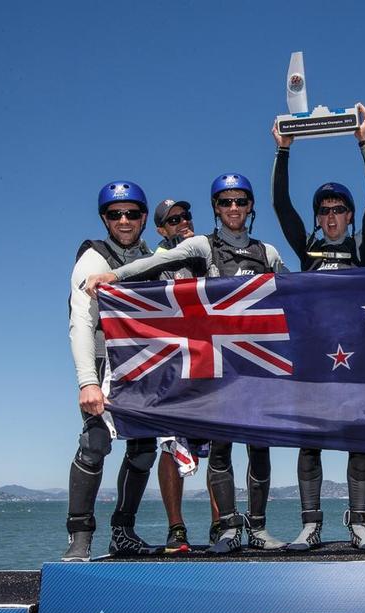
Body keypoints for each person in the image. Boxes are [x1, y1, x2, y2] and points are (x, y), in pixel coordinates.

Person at [85, 173, 289, 554]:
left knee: (259, 447)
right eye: (225, 202)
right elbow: (153, 266)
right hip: (209, 365)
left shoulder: (268, 252)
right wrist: (114, 276)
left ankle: (254, 528)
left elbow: (297, 296)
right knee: (210, 445)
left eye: (240, 202)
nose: (233, 208)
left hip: (255, 366)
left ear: (249, 207)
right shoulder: (193, 248)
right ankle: (217, 528)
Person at [270, 103, 365, 551]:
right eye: (325, 210)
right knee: (311, 442)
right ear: (317, 217)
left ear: (350, 215)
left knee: (360, 442)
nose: (332, 216)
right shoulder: (306, 251)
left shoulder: (364, 247)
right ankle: (310, 525)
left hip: (358, 357)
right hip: (314, 356)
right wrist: (283, 151)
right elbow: (281, 204)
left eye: (339, 209)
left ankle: (358, 524)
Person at [63, 181, 160, 561]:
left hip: (142, 363)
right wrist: (88, 381)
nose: (124, 220)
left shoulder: (151, 258)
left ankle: (123, 530)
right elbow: (81, 324)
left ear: (144, 218)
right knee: (96, 443)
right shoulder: (93, 259)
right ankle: (80, 536)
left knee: (143, 450)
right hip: (104, 361)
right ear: (104, 218)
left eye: (132, 213)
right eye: (115, 214)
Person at [148, 199, 219, 553]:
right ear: (161, 229)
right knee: (169, 445)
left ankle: (221, 524)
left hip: (211, 360)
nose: (183, 222)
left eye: (186, 216)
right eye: (173, 220)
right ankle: (176, 529)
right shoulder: (151, 263)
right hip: (172, 366)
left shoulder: (206, 253)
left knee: (221, 441)